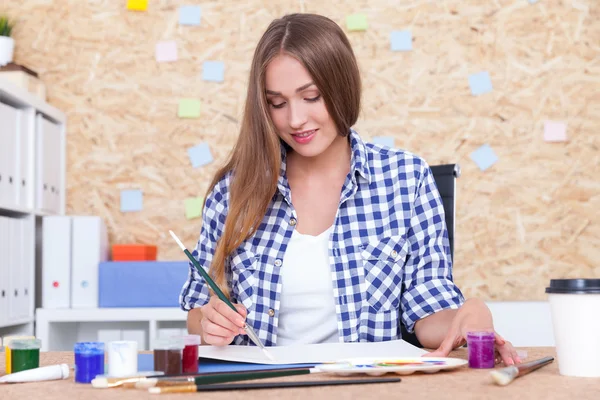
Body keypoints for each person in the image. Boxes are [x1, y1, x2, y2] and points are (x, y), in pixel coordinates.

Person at [180, 13, 520, 365]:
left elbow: (428, 309)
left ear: (342, 86)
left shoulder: (407, 179)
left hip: (367, 387)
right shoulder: (233, 191)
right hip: (265, 387)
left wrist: (467, 316)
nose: (295, 119)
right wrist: (208, 323)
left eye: (311, 97)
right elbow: (198, 310)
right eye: (277, 103)